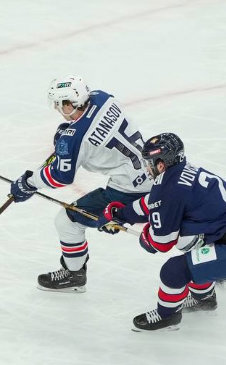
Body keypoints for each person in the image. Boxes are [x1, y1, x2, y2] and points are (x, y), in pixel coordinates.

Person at [9, 76, 152, 292]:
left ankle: (74, 275)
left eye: (59, 104)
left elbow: (61, 176)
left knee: (67, 222)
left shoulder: (74, 138)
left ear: (69, 104)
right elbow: (93, 127)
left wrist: (29, 182)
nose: (57, 109)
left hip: (129, 191)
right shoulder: (103, 98)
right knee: (179, 223)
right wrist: (69, 136)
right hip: (156, 171)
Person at [103, 133, 226, 331]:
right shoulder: (184, 170)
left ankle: (167, 315)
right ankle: (204, 299)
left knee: (173, 271)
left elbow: (161, 243)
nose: (146, 168)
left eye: (148, 163)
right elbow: (153, 203)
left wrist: (145, 236)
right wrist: (121, 214)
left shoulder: (168, 188)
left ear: (161, 164)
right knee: (192, 244)